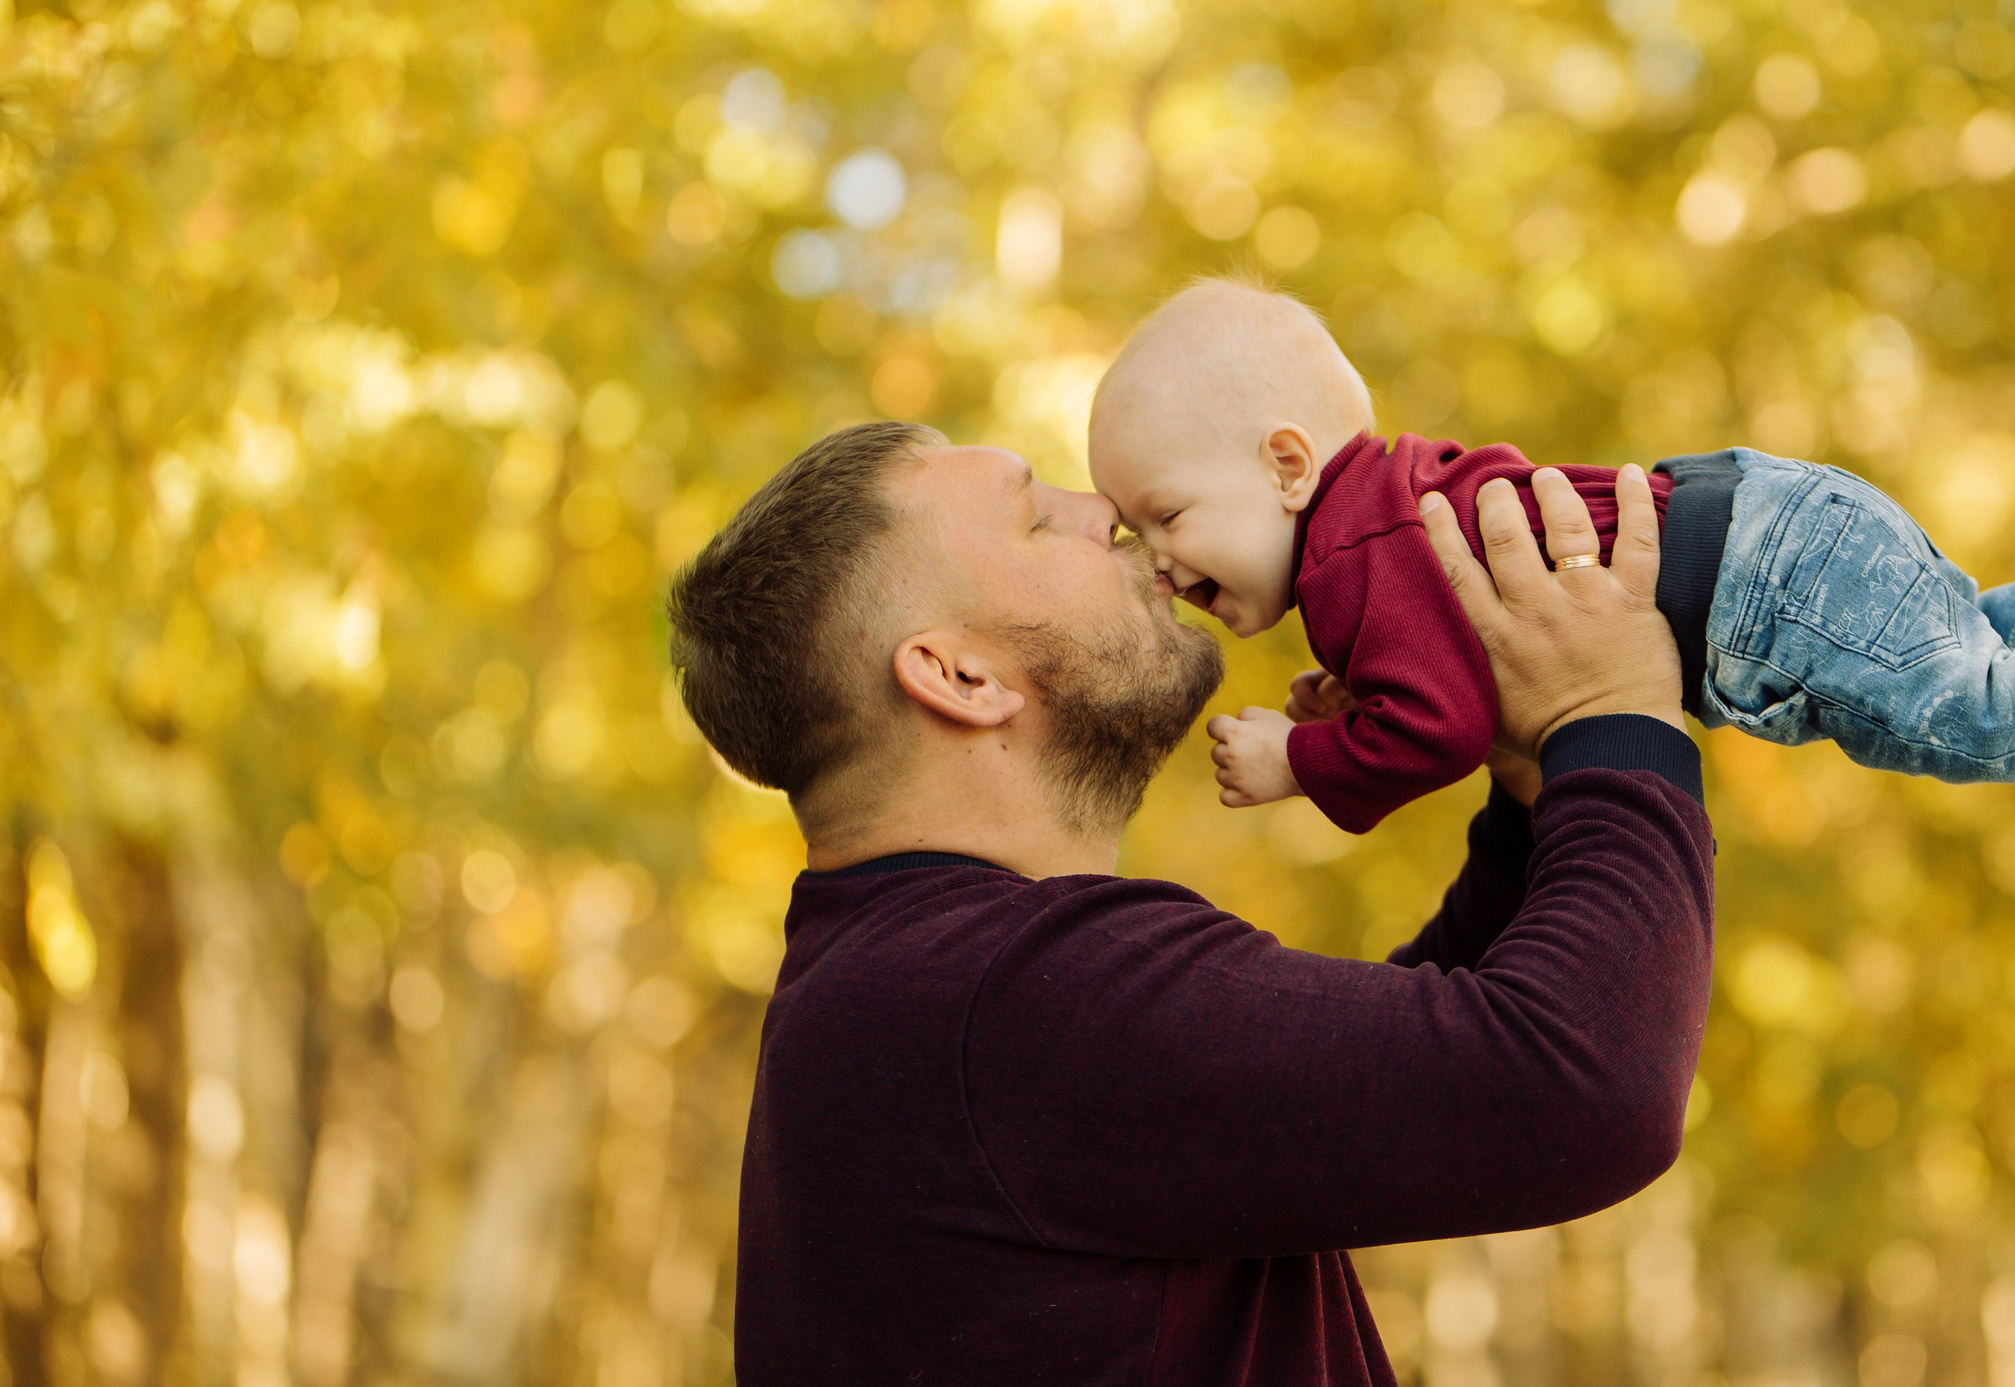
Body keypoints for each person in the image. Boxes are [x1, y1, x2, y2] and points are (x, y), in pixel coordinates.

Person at [665, 420, 1716, 1385]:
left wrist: (1534, 784)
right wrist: (1609, 714)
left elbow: (1399, 1078)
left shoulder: (919, 993)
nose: (1106, 514)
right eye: (1039, 517)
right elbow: (1574, 1088)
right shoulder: (1002, 992)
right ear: (959, 675)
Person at [1085, 278, 2015, 834]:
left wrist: (1305, 760)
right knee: (1959, 652)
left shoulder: (1355, 559)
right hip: (1766, 519)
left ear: (1290, 465)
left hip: (1752, 582)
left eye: (1166, 516)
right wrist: (1374, 697)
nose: (1155, 565)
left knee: (1954, 715)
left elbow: (1448, 730)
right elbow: (1458, 678)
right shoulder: (1383, 524)